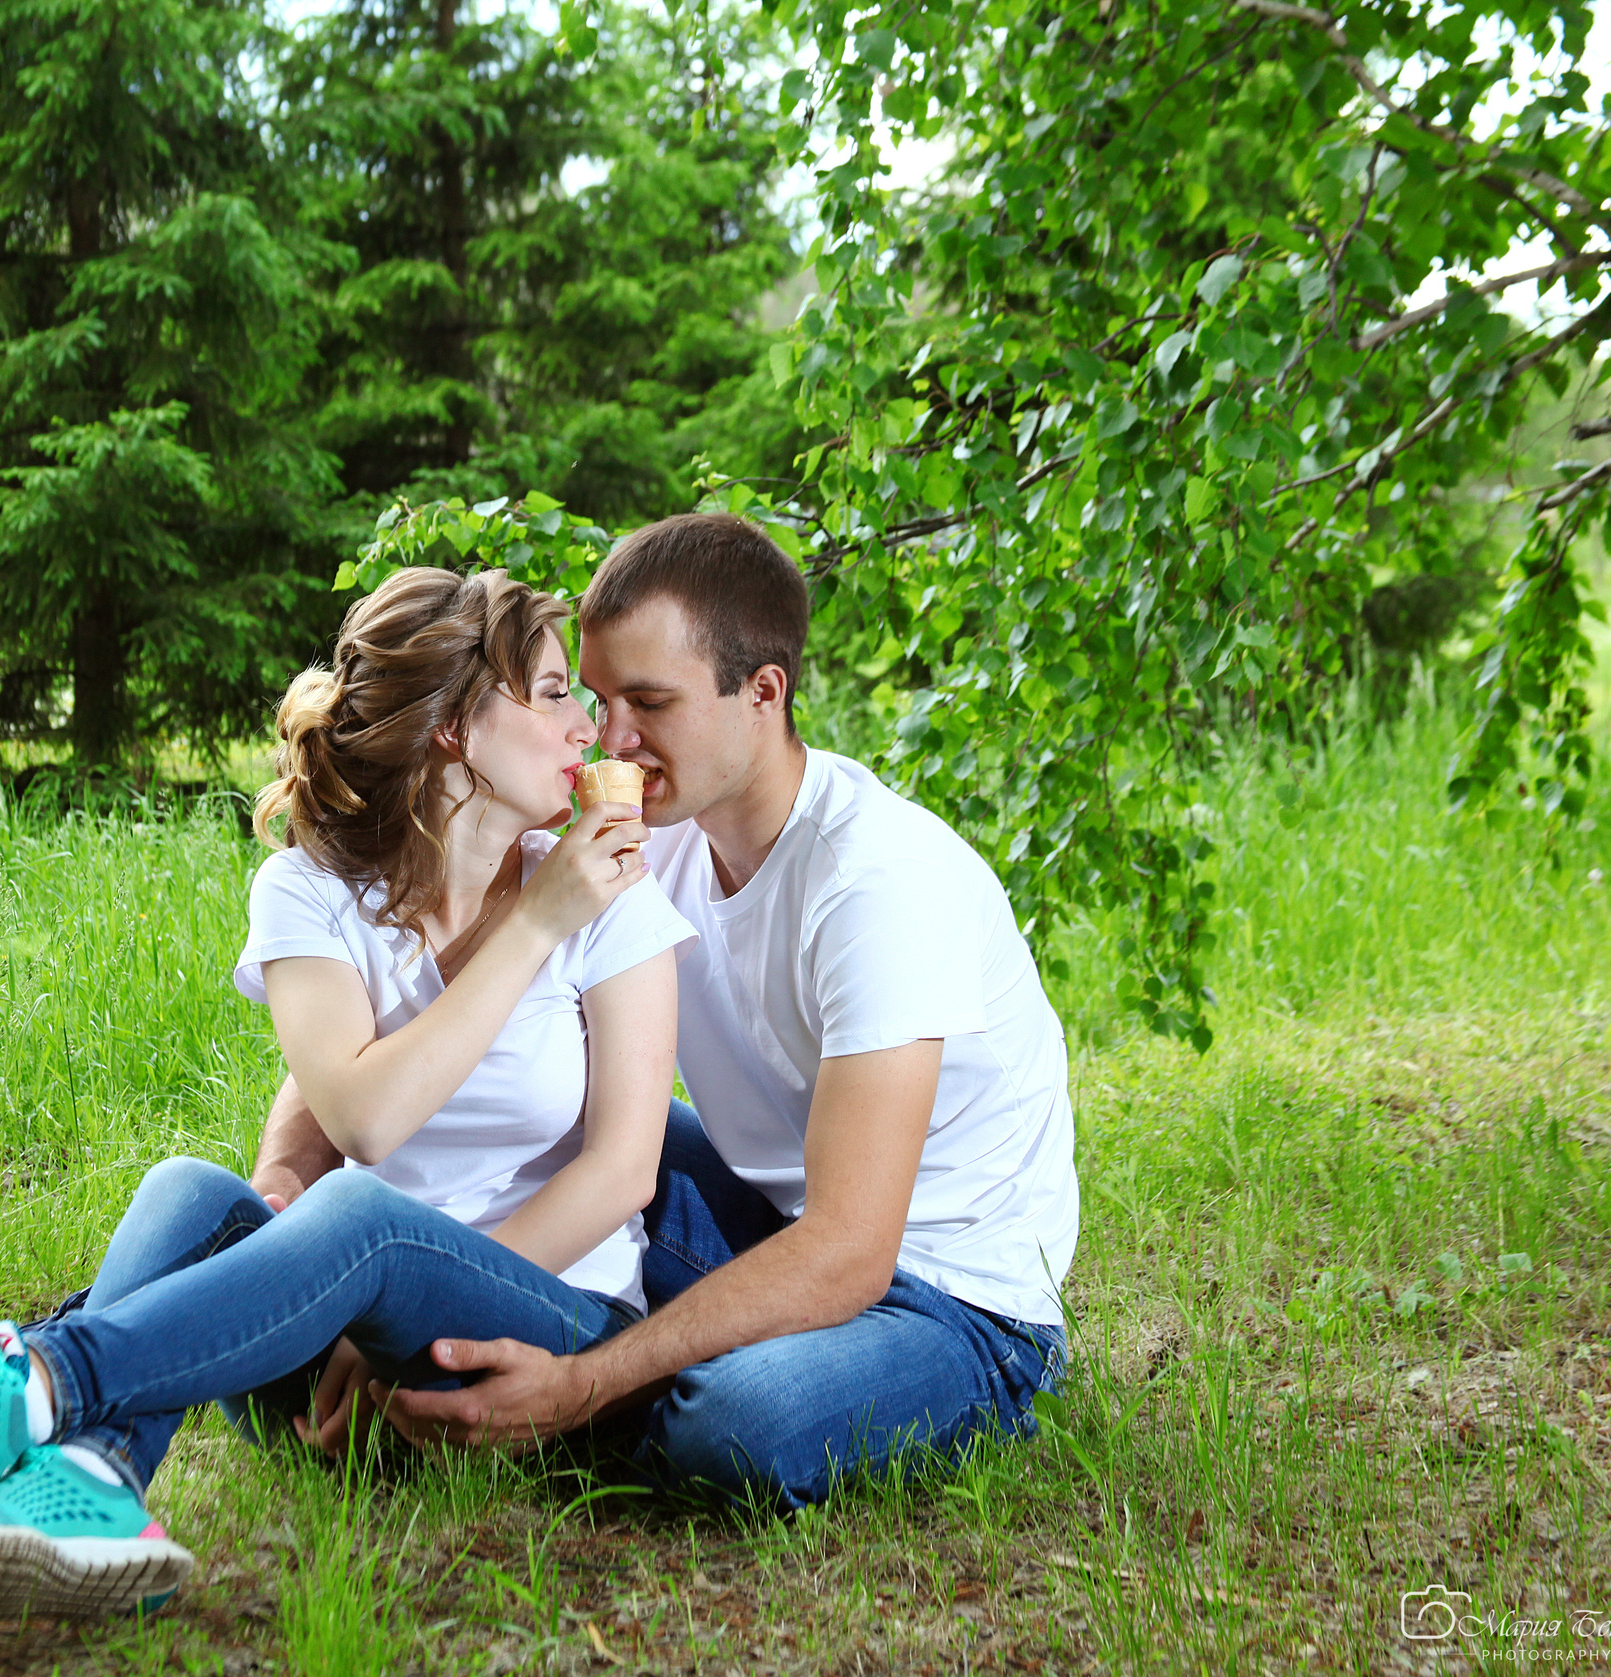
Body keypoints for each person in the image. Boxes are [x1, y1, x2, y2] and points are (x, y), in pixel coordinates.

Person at [0, 568, 692, 1622]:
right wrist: (319, 1272)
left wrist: (541, 918)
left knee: (361, 1219)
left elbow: (623, 1171)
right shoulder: (310, 889)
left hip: (524, 1344)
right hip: (323, 1354)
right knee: (188, 1189)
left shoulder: (604, 896)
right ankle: (94, 1488)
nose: (588, 724)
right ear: (453, 727)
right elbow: (351, 1110)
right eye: (549, 693)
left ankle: (31, 1383)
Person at [254, 512, 1079, 1509]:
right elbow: (377, 1028)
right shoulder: (651, 838)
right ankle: (441, 1356)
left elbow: (855, 1248)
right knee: (562, 1130)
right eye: (597, 701)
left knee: (730, 1428)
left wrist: (581, 1385)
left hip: (945, 1297)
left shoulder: (877, 882)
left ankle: (556, 1397)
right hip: (762, 1219)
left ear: (761, 693)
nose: (610, 742)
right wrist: (290, 1173)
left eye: (649, 703)